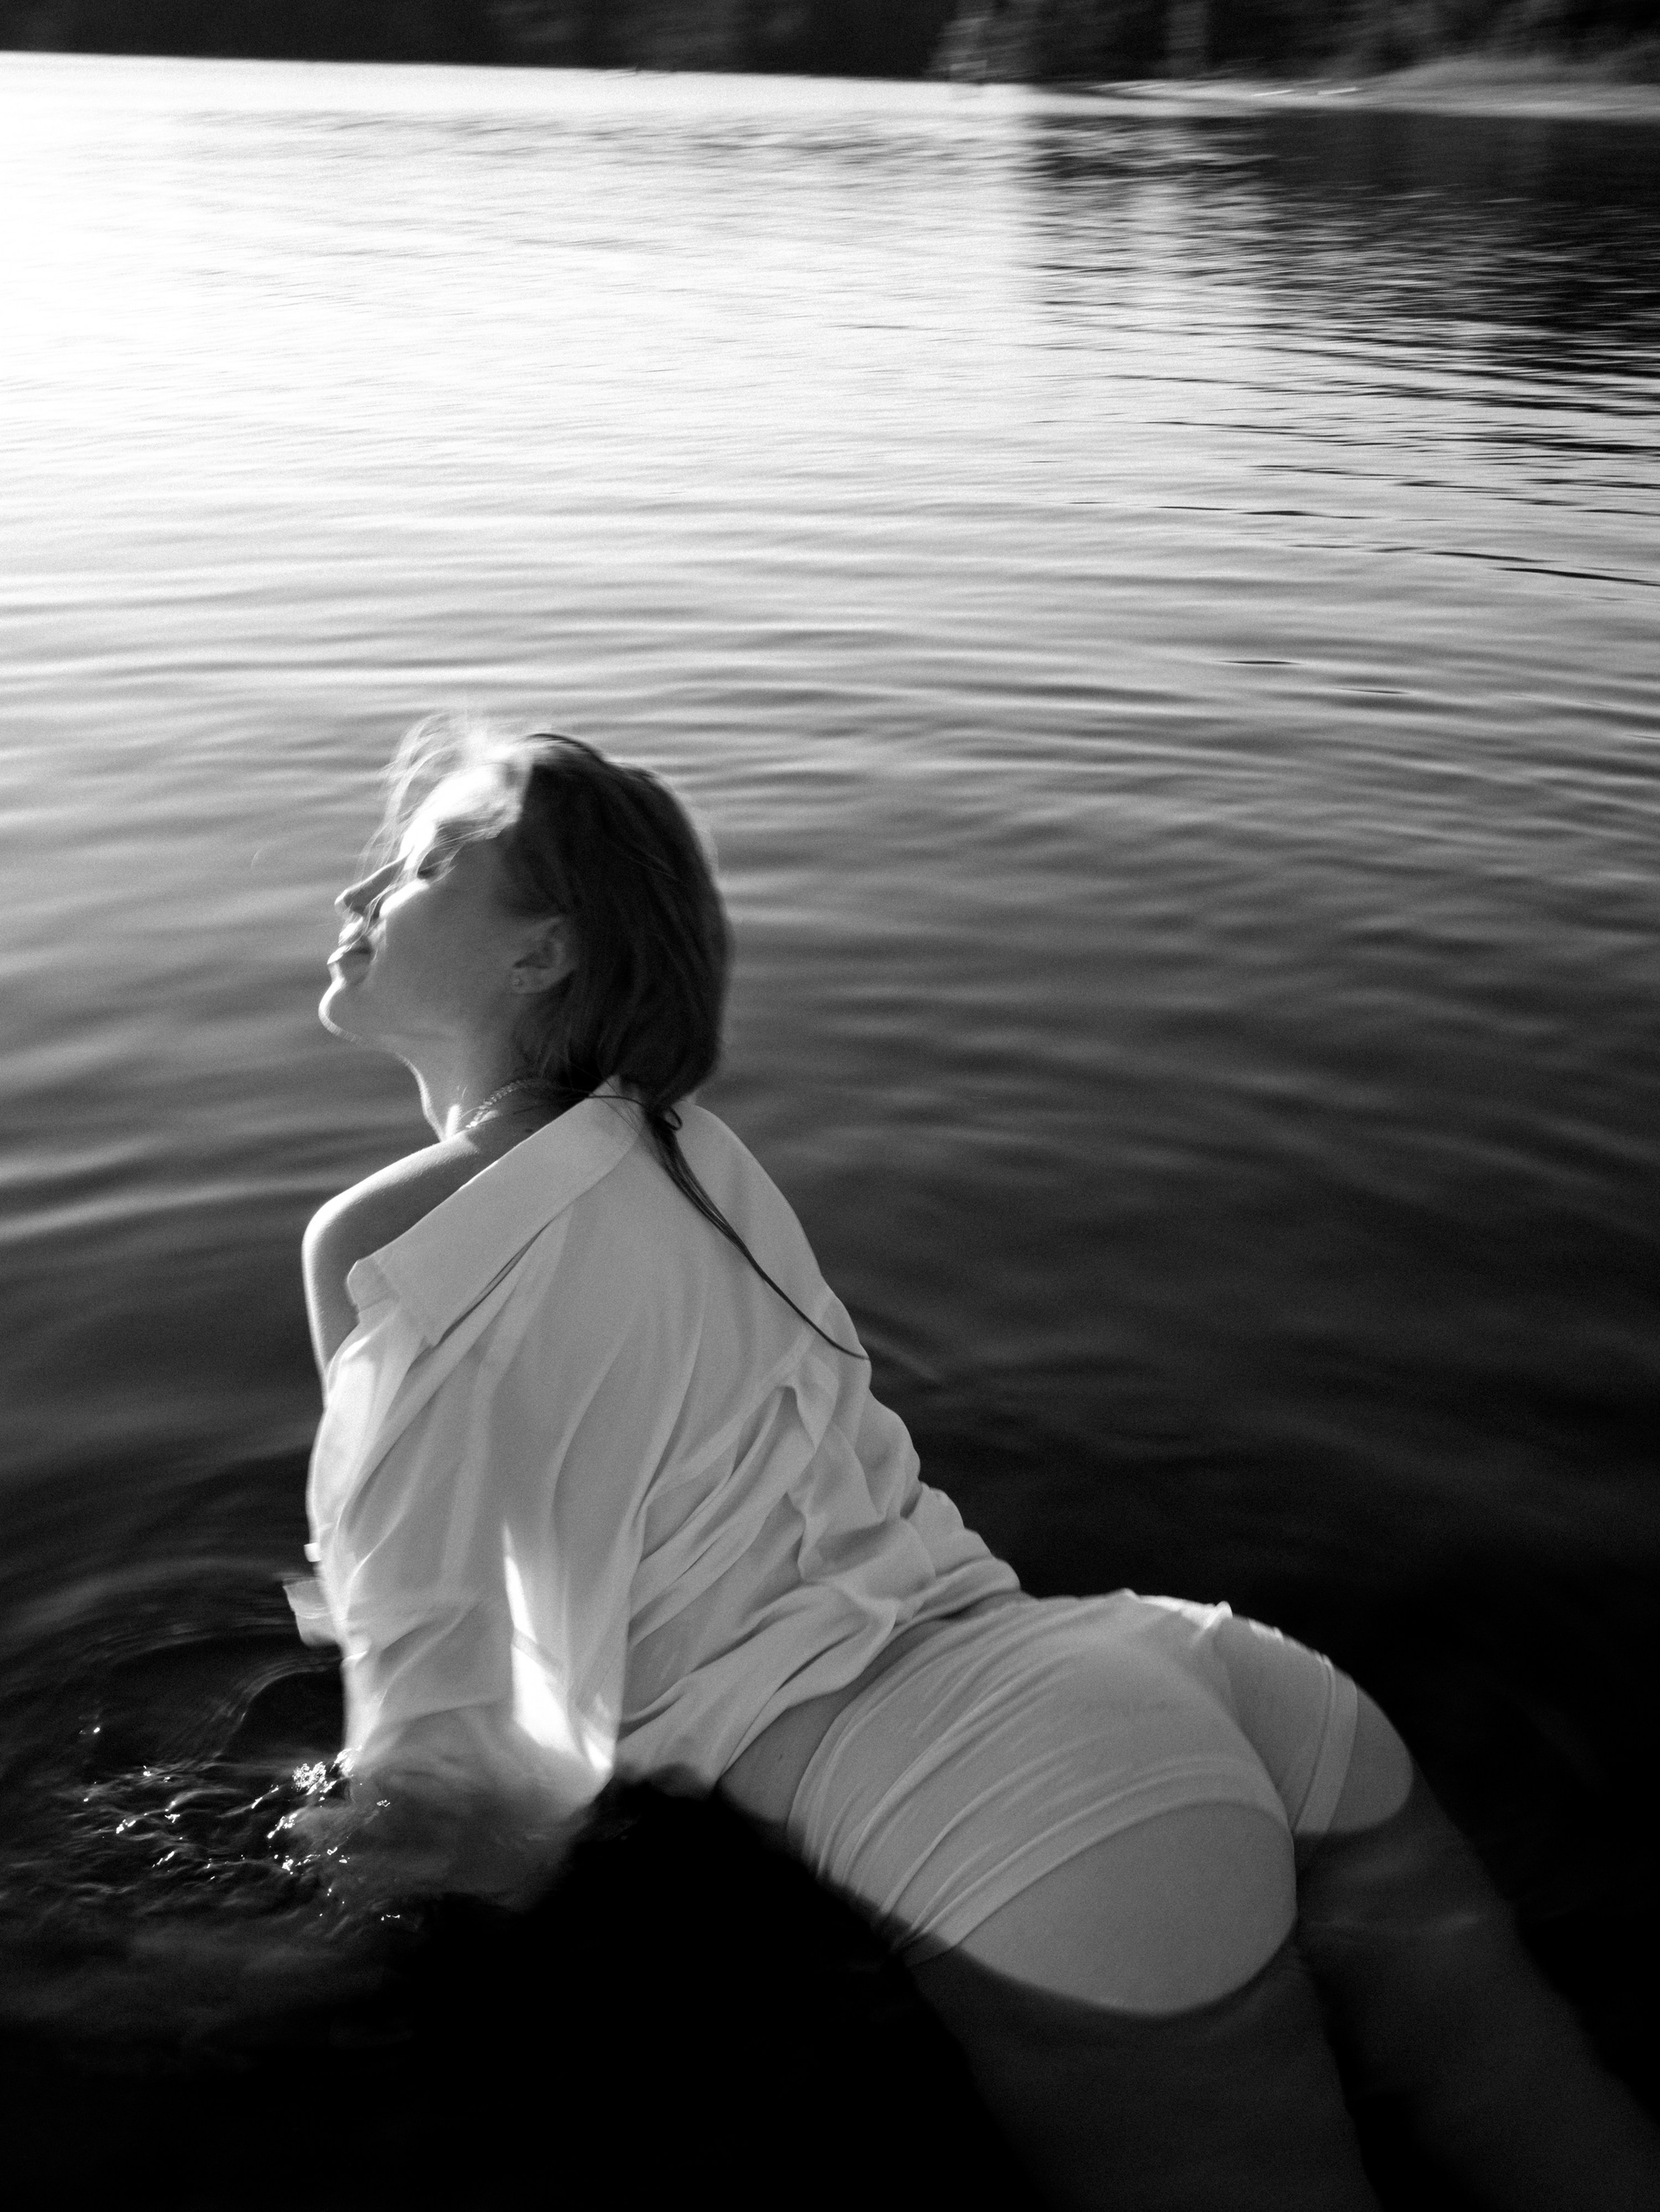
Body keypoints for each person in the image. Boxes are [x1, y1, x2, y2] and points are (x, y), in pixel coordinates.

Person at [288, 719, 1660, 2211]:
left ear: (543, 950)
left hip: (1018, 1805)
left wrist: (257, 1956)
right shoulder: (691, 1154)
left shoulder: (391, 1241)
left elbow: (449, 1759)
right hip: (1203, 1670)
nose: (359, 893)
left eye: (422, 868)